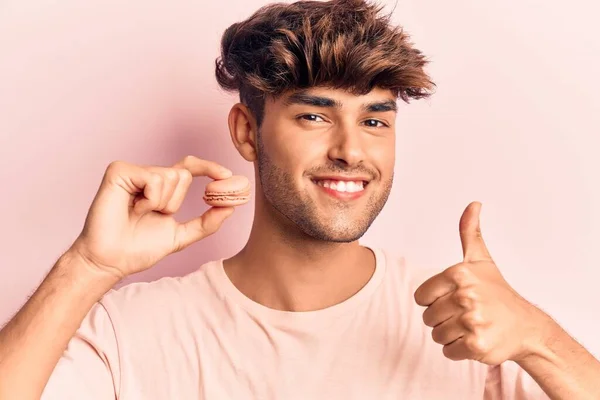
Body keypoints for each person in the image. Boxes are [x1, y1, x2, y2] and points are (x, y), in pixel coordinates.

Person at [1, 0, 598, 399]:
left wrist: (538, 339)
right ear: (245, 132)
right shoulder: (131, 334)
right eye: (315, 115)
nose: (349, 151)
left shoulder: (470, 328)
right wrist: (88, 267)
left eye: (375, 121)